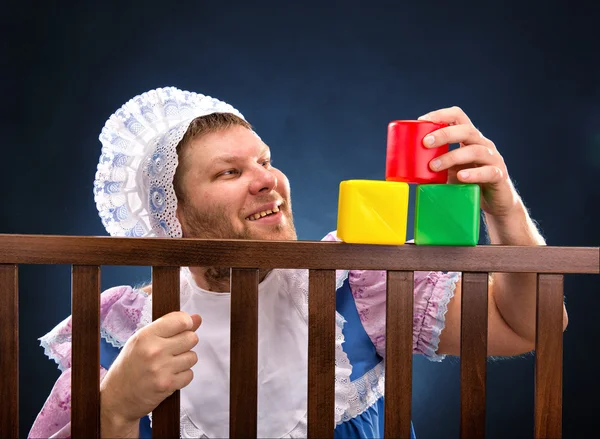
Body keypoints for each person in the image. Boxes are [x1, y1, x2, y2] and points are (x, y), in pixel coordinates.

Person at [29, 86, 568, 439]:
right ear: (177, 217)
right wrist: (115, 410)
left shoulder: (357, 283)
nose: (268, 179)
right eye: (228, 172)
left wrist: (502, 203)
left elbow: (530, 327)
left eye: (264, 159)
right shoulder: (111, 333)